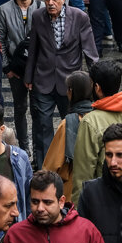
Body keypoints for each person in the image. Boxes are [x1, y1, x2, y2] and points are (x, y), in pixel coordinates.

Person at [23, 0, 98, 168]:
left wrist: (96, 81)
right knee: (41, 126)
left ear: (63, 0)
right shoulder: (38, 16)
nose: (50, 3)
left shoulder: (79, 17)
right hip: (43, 79)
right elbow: (33, 49)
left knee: (73, 125)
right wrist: (28, 77)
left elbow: (90, 51)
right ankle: (43, 168)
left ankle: (72, 164)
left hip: (70, 83)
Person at [71, 61, 122, 204]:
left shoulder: (90, 122)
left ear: (97, 88)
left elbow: (83, 173)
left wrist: (78, 211)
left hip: (104, 199)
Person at [0, 0, 42, 154]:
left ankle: (39, 148)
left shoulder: (41, 7)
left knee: (38, 109)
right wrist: (6, 67)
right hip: (16, 69)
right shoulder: (4, 10)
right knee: (20, 108)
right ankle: (24, 147)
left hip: (38, 69)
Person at [3, 170, 106, 243]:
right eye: (35, 202)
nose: (40, 208)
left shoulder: (86, 231)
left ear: (61, 202)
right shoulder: (15, 235)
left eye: (47, 202)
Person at [41, 71, 94, 201]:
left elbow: (52, 165)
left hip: (73, 190)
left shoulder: (68, 124)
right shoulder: (99, 117)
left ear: (71, 91)